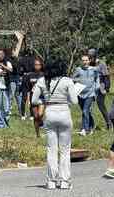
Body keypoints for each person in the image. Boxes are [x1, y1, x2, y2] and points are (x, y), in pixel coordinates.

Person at [32, 58, 78, 190]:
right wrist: (65, 99)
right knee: (65, 150)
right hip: (64, 112)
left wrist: (46, 99)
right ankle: (64, 181)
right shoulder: (67, 81)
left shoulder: (42, 81)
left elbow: (34, 100)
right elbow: (74, 101)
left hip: (50, 113)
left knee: (51, 149)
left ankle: (51, 181)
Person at [72, 54, 100, 136]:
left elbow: (97, 78)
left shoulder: (94, 69)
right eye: (83, 60)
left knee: (85, 111)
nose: (85, 62)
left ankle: (85, 129)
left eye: (86, 60)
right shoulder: (78, 69)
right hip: (80, 94)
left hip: (90, 93)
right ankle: (92, 125)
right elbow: (72, 79)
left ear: (89, 61)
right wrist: (79, 80)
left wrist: (97, 87)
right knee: (85, 112)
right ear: (81, 61)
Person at [88, 49, 112, 129]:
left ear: (95, 56)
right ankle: (90, 125)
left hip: (101, 87)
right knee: (89, 106)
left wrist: (107, 88)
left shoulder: (101, 64)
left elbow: (106, 76)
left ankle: (109, 123)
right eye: (89, 56)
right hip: (91, 87)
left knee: (101, 106)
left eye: (91, 57)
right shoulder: (89, 64)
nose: (90, 58)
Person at [23, 57, 45, 138]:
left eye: (39, 65)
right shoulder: (30, 75)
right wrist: (28, 100)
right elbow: (28, 89)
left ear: (41, 65)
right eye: (36, 65)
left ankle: (41, 122)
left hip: (42, 97)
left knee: (40, 114)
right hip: (33, 97)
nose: (37, 66)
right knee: (35, 116)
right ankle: (38, 134)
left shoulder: (44, 75)